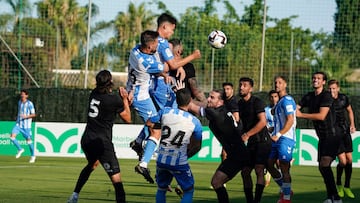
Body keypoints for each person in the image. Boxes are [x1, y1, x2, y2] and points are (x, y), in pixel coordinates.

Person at [132, 13, 201, 183]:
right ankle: (147, 162)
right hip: (157, 88)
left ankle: (140, 142)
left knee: (158, 117)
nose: (172, 33)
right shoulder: (161, 43)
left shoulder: (145, 46)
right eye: (172, 29)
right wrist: (192, 56)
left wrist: (167, 71)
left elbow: (163, 64)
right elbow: (173, 64)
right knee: (168, 117)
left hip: (153, 85)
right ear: (164, 27)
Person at [67, 70, 131, 203]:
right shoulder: (114, 99)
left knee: (92, 164)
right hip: (102, 143)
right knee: (117, 183)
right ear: (110, 82)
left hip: (87, 140)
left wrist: (122, 102)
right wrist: (125, 100)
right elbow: (128, 119)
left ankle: (74, 195)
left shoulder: (93, 94)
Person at [147, 84, 203, 203]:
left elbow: (149, 123)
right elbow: (197, 146)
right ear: (190, 101)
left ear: (176, 100)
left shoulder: (165, 111)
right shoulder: (195, 122)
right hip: (179, 161)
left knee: (161, 189)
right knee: (188, 190)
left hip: (161, 159)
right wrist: (186, 155)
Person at [127, 30, 167, 183]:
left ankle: (138, 142)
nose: (158, 45)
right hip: (141, 97)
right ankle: (143, 164)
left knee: (153, 120)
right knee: (156, 129)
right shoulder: (146, 62)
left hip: (136, 92)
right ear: (150, 46)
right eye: (156, 43)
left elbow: (157, 71)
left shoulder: (135, 50)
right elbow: (166, 67)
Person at [296, 71, 342, 203]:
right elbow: (295, 108)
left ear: (323, 82)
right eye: (314, 78)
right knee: (322, 167)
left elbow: (321, 116)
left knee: (325, 164)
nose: (315, 80)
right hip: (322, 137)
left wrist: (301, 115)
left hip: (332, 135)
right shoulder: (309, 96)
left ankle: (336, 198)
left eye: (318, 78)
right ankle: (331, 197)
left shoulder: (326, 96)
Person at [238, 77, 272, 203]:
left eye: (244, 85)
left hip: (262, 141)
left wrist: (247, 134)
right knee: (245, 172)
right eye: (240, 85)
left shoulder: (257, 102)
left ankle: (256, 201)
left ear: (250, 88)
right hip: (251, 143)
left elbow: (263, 122)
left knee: (258, 169)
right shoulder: (240, 104)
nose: (241, 87)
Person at [268, 76, 297, 203]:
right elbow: (282, 121)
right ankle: (286, 189)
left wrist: (278, 134)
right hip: (277, 137)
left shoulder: (287, 100)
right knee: (268, 164)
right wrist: (272, 130)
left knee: (284, 166)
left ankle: (286, 198)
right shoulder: (279, 102)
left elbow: (290, 120)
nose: (277, 85)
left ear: (285, 84)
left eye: (280, 82)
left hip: (286, 138)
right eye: (275, 82)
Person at [328, 79, 356, 199]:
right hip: (335, 134)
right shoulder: (326, 100)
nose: (332, 91)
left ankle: (347, 186)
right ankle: (339, 184)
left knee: (350, 160)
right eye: (330, 89)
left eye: (334, 88)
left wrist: (352, 124)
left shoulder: (344, 98)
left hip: (345, 132)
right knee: (343, 162)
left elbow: (349, 111)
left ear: (338, 89)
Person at [169, 38, 207, 107]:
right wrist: (205, 102)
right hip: (183, 104)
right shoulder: (188, 66)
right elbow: (195, 89)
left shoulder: (165, 66)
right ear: (179, 51)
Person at [10, 89, 36, 163]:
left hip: (26, 126)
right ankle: (20, 149)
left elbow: (33, 114)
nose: (22, 95)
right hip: (18, 124)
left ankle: (33, 156)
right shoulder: (19, 102)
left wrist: (26, 116)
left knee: (29, 142)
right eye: (21, 94)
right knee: (12, 137)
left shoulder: (30, 104)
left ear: (27, 96)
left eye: (23, 94)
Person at [264, 89, 280, 187]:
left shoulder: (282, 108)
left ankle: (283, 187)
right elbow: (263, 121)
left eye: (275, 96)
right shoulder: (266, 110)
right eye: (271, 97)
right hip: (269, 138)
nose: (273, 99)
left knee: (279, 162)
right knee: (267, 161)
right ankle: (268, 177)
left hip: (279, 138)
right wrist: (267, 129)